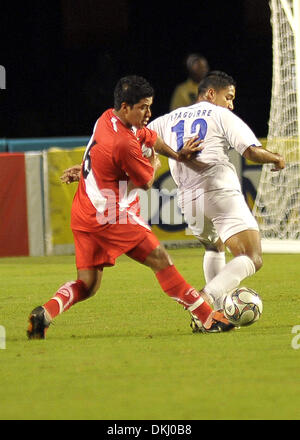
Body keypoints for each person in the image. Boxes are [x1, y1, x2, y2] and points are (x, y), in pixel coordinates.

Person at [27, 75, 234, 340]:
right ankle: (207, 318)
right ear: (126, 107)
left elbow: (150, 138)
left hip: (85, 210)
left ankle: (44, 314)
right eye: (143, 107)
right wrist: (155, 164)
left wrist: (177, 154)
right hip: (111, 215)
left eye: (150, 106)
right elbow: (146, 182)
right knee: (161, 259)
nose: (149, 113)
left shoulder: (106, 119)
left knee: (88, 285)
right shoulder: (124, 142)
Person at [147, 70, 285, 331]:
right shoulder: (219, 114)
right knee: (252, 256)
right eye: (228, 97)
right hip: (218, 190)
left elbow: (135, 142)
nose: (231, 104)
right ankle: (205, 298)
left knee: (214, 247)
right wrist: (277, 158)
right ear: (211, 93)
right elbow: (251, 151)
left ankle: (213, 315)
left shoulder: (168, 119)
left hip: (188, 201)